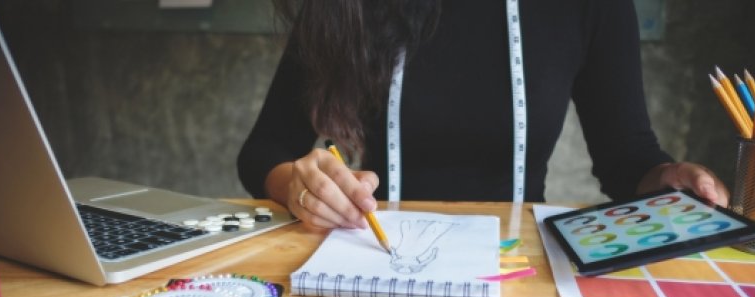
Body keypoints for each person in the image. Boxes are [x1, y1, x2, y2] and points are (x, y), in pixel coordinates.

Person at [238, 0, 729, 230]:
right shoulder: (353, 5)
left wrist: (670, 178)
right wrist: (299, 187)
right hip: (377, 254)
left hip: (518, 269)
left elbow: (627, 159)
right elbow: (265, 150)